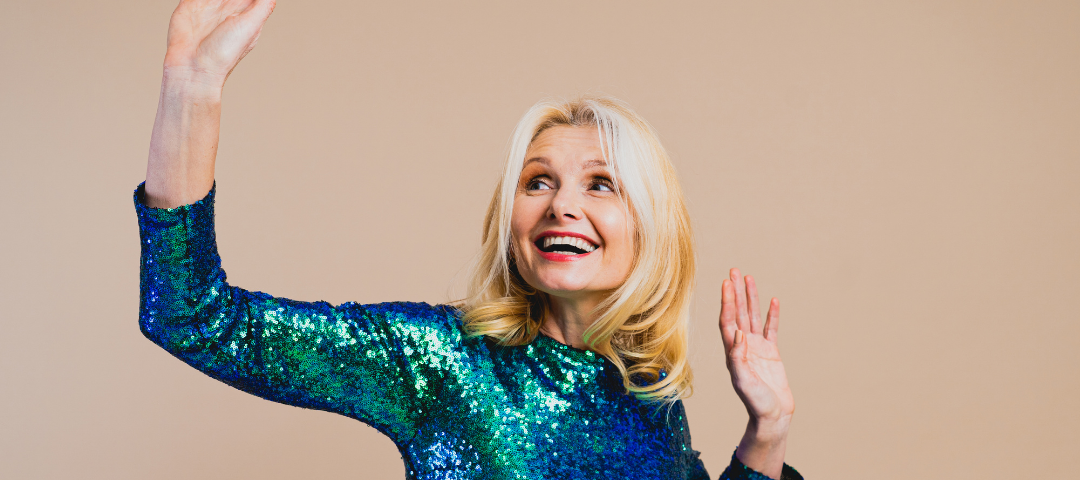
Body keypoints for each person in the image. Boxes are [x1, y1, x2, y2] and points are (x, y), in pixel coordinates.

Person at [137, 1, 801, 479]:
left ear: (650, 226)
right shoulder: (439, 358)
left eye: (601, 185)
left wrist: (766, 433)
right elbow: (193, 318)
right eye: (538, 182)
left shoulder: (648, 395)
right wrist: (191, 91)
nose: (562, 205)